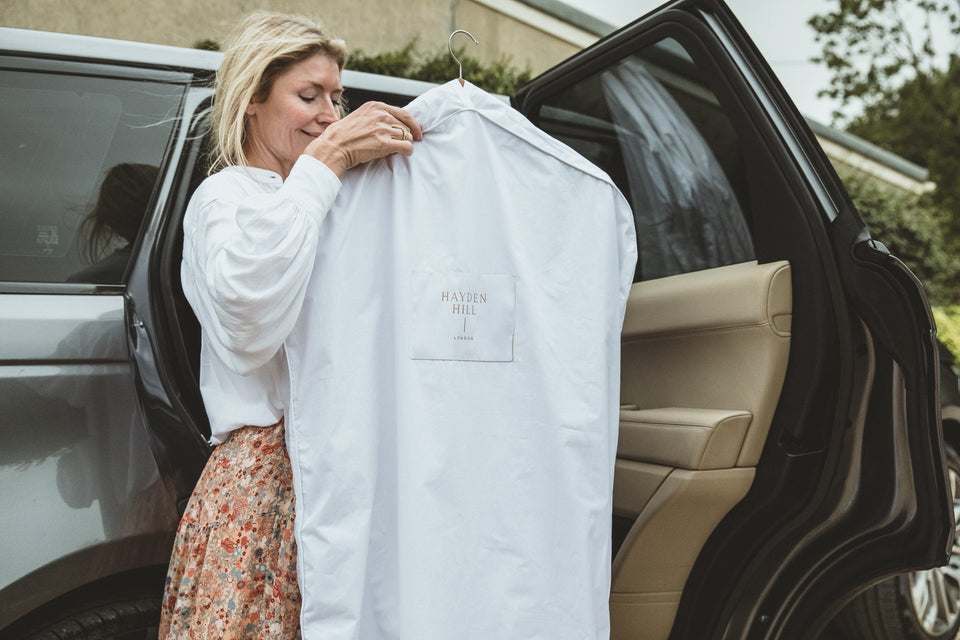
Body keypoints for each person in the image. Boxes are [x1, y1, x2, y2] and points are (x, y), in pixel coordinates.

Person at [159, 11, 422, 638]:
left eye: (336, 96)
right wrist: (325, 163)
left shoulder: (334, 199)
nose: (329, 114)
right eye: (308, 96)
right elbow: (251, 324)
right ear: (253, 98)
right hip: (267, 487)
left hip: (345, 472)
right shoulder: (226, 199)